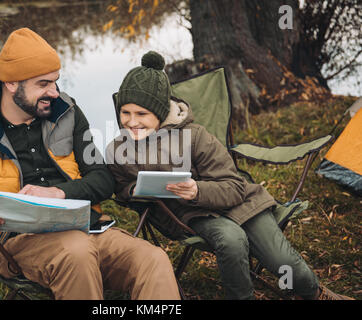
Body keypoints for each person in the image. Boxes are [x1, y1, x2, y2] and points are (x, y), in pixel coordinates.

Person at [0, 28, 180, 300]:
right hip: (15, 243)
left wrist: (59, 193)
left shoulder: (68, 113)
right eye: (43, 84)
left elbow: (102, 179)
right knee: (77, 253)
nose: (55, 92)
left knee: (152, 259)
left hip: (88, 230)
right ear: (12, 83)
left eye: (55, 82)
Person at [106, 50, 354, 300]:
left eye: (141, 114)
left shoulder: (195, 136)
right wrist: (134, 191)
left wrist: (197, 190)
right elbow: (121, 186)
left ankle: (315, 293)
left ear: (159, 113)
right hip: (192, 215)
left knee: (284, 261)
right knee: (232, 239)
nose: (131, 122)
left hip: (241, 203)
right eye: (125, 113)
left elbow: (234, 187)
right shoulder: (119, 150)